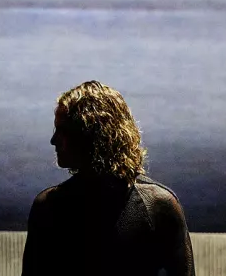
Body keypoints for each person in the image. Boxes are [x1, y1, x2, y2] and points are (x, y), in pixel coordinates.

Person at [22, 80, 195, 276]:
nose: (53, 141)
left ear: (92, 135)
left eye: (63, 131)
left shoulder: (158, 206)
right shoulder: (47, 207)